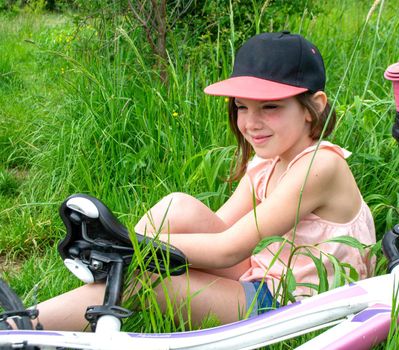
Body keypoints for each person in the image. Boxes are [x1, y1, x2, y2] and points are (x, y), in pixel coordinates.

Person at [34, 31, 376, 331]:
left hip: (293, 305)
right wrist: (142, 247)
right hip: (263, 273)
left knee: (150, 280)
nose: (251, 123)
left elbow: (228, 248)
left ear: (312, 107)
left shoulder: (320, 165)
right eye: (242, 107)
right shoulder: (269, 160)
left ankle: (26, 325)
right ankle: (115, 268)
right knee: (177, 206)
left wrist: (133, 245)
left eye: (270, 107)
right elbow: (224, 225)